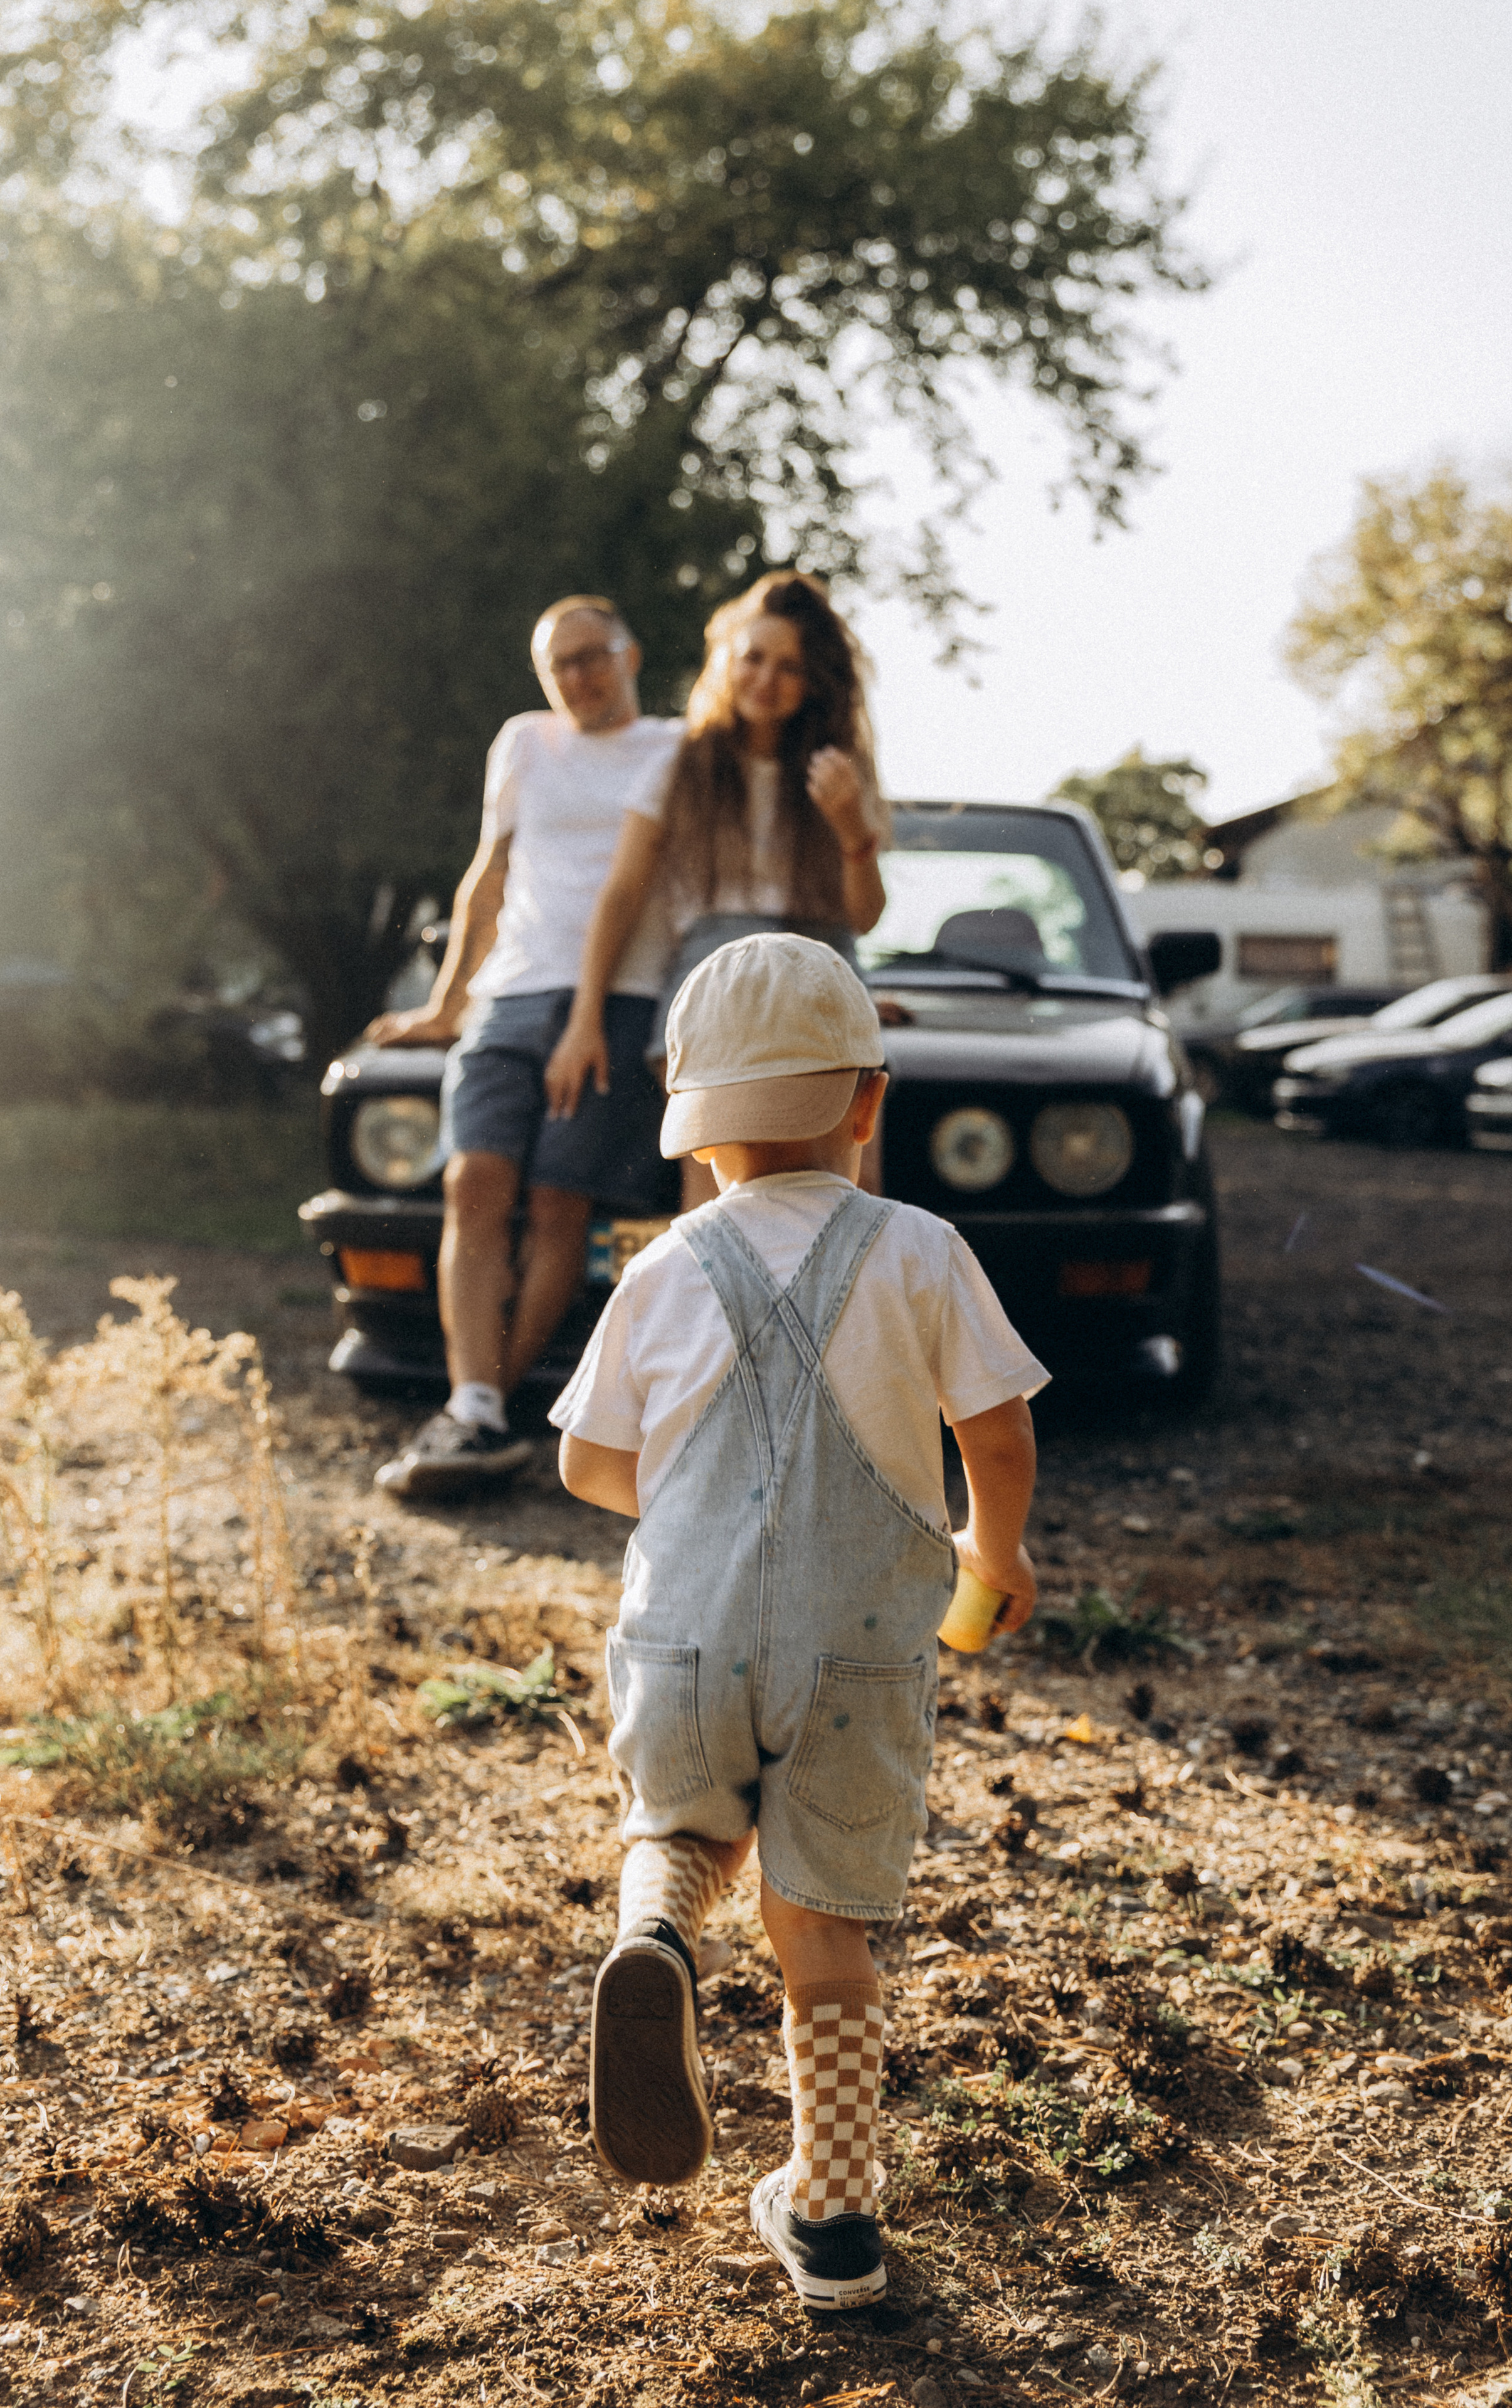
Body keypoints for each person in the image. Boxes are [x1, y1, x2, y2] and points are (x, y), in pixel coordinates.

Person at [551, 933, 1046, 2308]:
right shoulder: (919, 1250)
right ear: (867, 1103)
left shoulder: (659, 1270)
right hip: (862, 1651)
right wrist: (986, 1560)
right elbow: (995, 1438)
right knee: (821, 1923)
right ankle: (832, 2216)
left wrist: (700, 1497)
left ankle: (653, 1937)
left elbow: (587, 1466)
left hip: (686, 1640)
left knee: (685, 1825)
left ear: (693, 1136)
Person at [366, 597, 681, 1499]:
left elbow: (639, 885)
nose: (579, 676)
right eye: (560, 665)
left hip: (615, 997)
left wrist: (588, 1018)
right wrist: (442, 1004)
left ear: (630, 654)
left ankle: (476, 1412)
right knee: (473, 1183)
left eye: (593, 657)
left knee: (557, 1207)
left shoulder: (671, 746)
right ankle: (477, 1408)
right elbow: (488, 873)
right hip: (511, 993)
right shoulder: (523, 743)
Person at [543, 571, 892, 1209]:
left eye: (788, 667)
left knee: (853, 1190)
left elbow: (864, 917)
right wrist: (585, 1016)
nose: (766, 679)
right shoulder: (680, 764)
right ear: (726, 661)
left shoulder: (841, 768)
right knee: (716, 1199)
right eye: (752, 659)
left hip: (824, 974)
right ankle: (715, 1312)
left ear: (815, 680)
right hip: (712, 975)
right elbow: (620, 895)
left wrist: (852, 830)